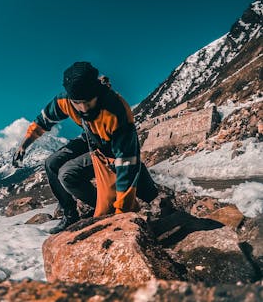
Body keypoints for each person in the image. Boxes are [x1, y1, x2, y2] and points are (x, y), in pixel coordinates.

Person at [13, 61, 158, 234]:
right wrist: (24, 144)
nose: (83, 108)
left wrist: (121, 215)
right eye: (77, 103)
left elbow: (126, 162)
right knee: (52, 163)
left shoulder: (117, 112)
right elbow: (43, 121)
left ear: (96, 92)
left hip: (111, 151)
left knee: (67, 174)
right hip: (90, 139)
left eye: (88, 102)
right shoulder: (65, 100)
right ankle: (70, 214)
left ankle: (109, 211)